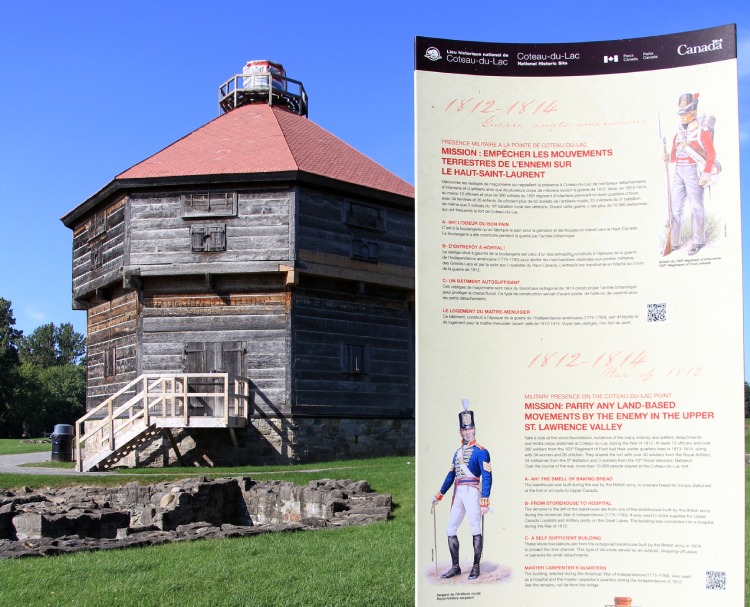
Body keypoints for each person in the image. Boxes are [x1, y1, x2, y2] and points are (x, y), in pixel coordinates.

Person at [432, 399, 492, 580]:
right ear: (460, 431)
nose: (468, 432)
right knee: (451, 529)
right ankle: (455, 567)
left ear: (474, 429)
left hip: (473, 491)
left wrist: (485, 500)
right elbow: (451, 476)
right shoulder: (457, 453)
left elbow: (487, 476)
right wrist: (440, 494)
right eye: (464, 430)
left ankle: (475, 566)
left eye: (470, 429)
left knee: (475, 528)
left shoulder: (482, 451)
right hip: (458, 493)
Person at [663, 92, 717, 256]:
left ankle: (698, 241)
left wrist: (706, 174)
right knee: (675, 209)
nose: (682, 116)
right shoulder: (678, 134)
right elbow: (673, 157)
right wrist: (667, 158)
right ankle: (675, 241)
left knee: (695, 207)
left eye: (685, 113)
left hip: (694, 171)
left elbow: (711, 155)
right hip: (678, 172)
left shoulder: (702, 131)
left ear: (693, 113)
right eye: (681, 113)